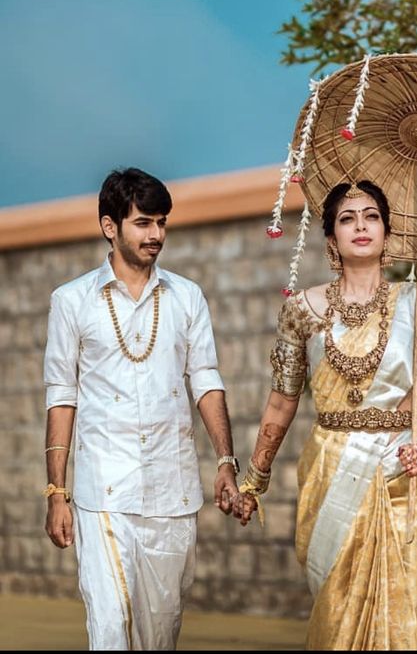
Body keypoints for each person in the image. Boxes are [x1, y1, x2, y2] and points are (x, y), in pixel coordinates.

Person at [234, 180, 417, 650]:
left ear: (387, 232)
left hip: (403, 473)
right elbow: (282, 402)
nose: (361, 225)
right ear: (331, 239)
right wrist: (254, 479)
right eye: (347, 218)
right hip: (329, 471)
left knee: (404, 620)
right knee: (337, 617)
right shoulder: (301, 312)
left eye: (372, 216)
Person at [43, 167, 241, 650]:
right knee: (110, 630)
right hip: (103, 492)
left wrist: (225, 461)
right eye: (144, 223)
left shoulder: (187, 297)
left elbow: (207, 381)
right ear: (110, 227)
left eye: (162, 223)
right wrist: (56, 490)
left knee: (160, 634)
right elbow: (61, 394)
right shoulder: (71, 301)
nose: (156, 235)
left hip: (171, 492)